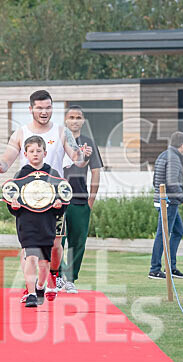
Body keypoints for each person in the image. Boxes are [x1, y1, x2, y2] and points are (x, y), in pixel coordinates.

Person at [0, 90, 91, 300]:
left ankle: (53, 277)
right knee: (28, 246)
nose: (44, 111)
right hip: (28, 198)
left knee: (55, 245)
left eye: (48, 107)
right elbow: (8, 158)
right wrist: (0, 165)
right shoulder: (20, 132)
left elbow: (77, 159)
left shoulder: (62, 132)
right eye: (39, 108)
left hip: (54, 198)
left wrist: (81, 153)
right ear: (31, 109)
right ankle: (31, 289)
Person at [7, 136, 67, 307]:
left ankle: (41, 286)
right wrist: (14, 206)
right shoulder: (21, 174)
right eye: (31, 151)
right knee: (31, 256)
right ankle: (32, 293)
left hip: (46, 223)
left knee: (44, 262)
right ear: (25, 154)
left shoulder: (52, 174)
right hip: (27, 223)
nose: (35, 154)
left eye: (38, 151)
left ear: (45, 153)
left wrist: (58, 206)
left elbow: (63, 200)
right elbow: (12, 199)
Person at [60, 105, 103, 293]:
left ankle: (70, 279)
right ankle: (58, 276)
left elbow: (95, 172)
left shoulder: (88, 143)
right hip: (57, 199)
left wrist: (91, 200)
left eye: (78, 117)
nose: (75, 120)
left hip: (79, 199)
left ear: (83, 121)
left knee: (78, 242)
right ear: (66, 120)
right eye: (71, 117)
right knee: (56, 241)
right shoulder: (58, 141)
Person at [149, 131, 183, 280]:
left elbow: (155, 180)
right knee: (163, 234)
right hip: (169, 201)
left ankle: (170, 267)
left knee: (178, 231)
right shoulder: (174, 158)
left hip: (164, 200)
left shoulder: (163, 155)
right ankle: (154, 269)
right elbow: (172, 183)